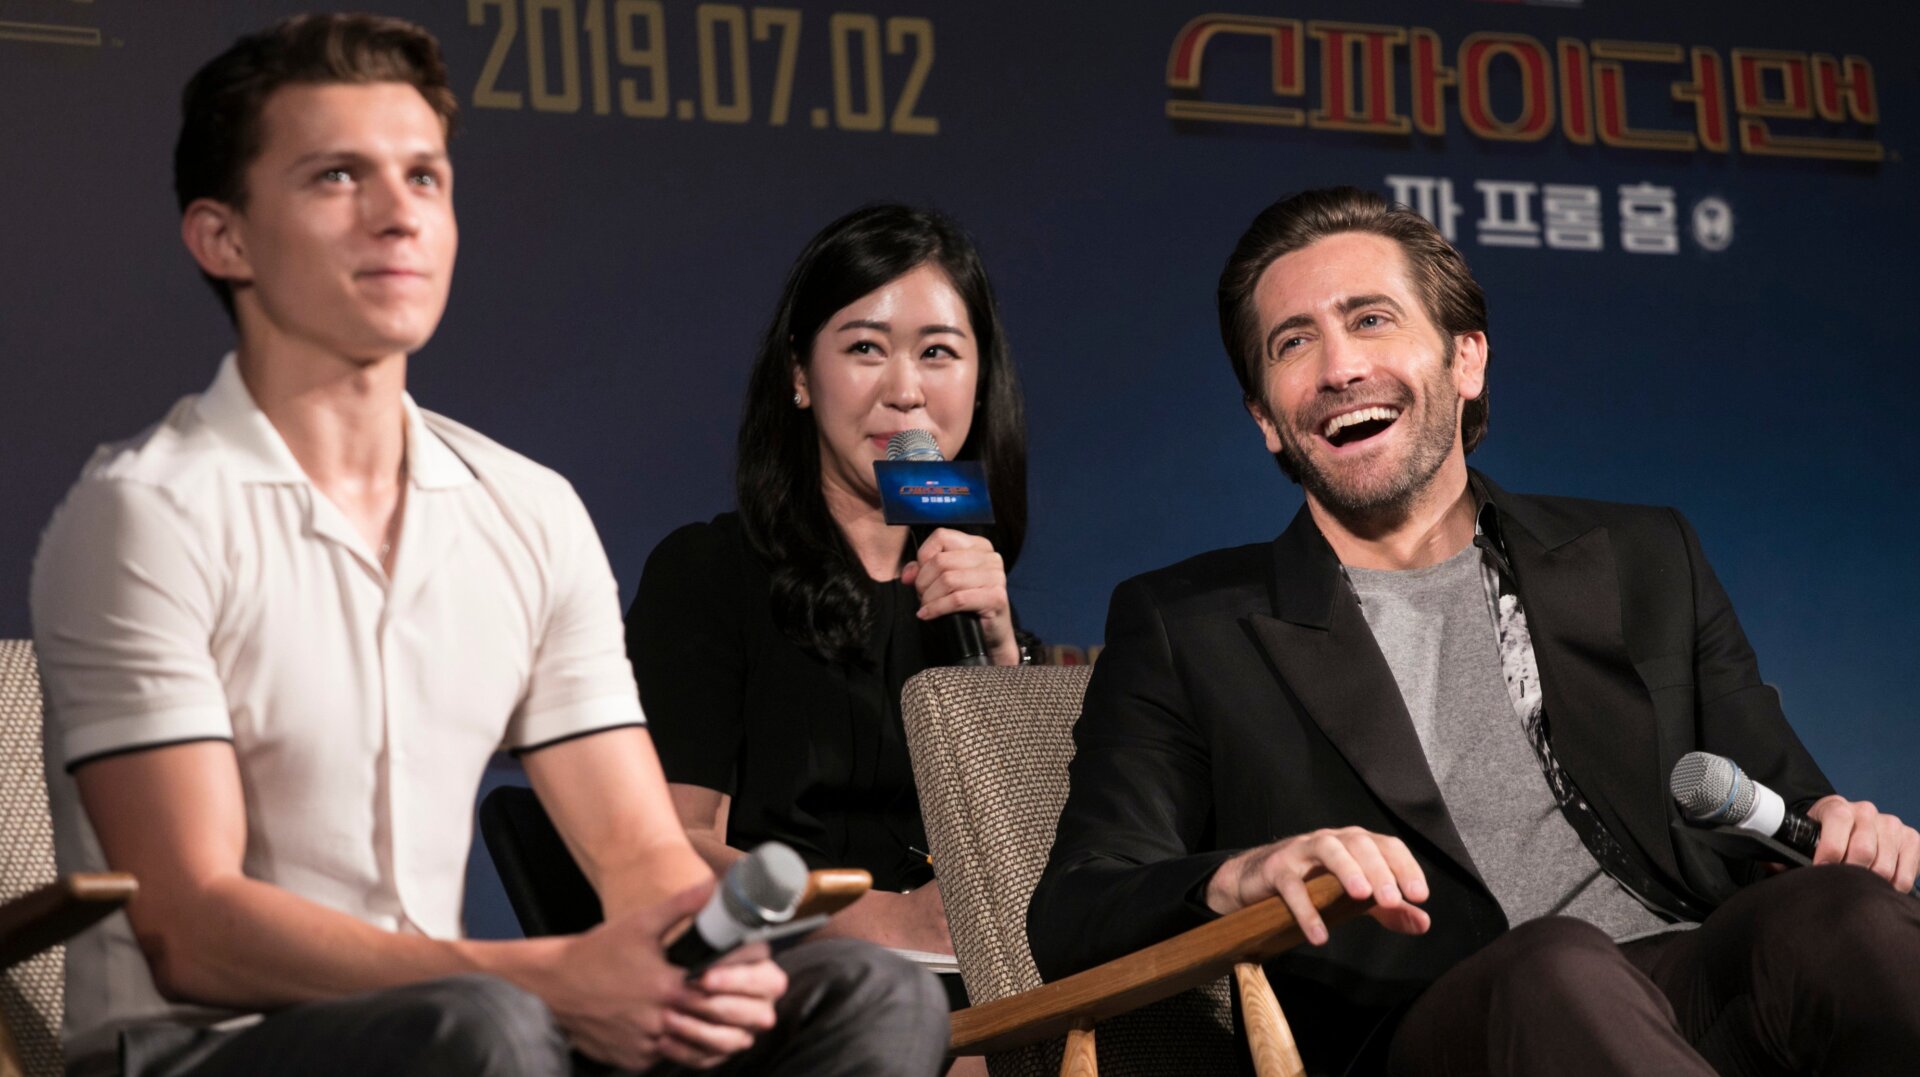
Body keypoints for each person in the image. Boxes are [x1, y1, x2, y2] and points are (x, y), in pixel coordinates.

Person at [30, 15, 946, 1077]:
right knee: (485, 1024)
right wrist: (546, 980)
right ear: (221, 238)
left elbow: (638, 849)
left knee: (867, 994)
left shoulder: (526, 508)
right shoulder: (145, 515)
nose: (396, 217)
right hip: (203, 1049)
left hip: (470, 1021)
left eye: (423, 177)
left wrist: (704, 948)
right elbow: (192, 928)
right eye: (337, 177)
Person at [1026, 186, 1920, 1076]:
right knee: (1557, 965)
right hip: (1443, 1025)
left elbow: (1789, 816)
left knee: (1845, 916)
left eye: (1371, 318)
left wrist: (1845, 835)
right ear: (1267, 420)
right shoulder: (1189, 624)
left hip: (1686, 976)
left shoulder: (1647, 554)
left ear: (1467, 360)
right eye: (1294, 342)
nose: (1339, 366)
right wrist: (1241, 875)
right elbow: (1078, 905)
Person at [626, 205, 1030, 970]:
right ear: (800, 376)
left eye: (939, 351)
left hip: (974, 985)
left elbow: (1025, 854)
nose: (905, 390)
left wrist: (1005, 651)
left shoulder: (970, 597)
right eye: (867, 348)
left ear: (980, 382)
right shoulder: (707, 571)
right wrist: (892, 921)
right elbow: (670, 851)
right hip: (778, 975)